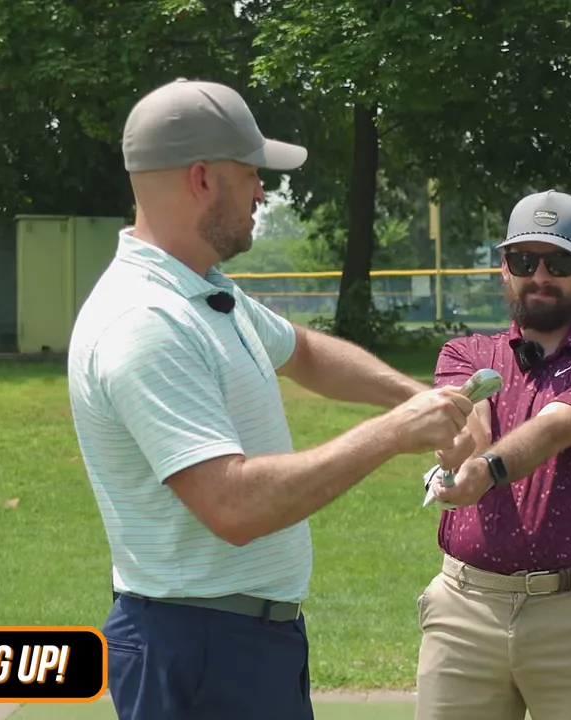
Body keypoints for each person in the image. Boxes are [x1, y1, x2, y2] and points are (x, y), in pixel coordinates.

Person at [66, 78, 474, 720]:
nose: (263, 192)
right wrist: (396, 432)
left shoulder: (203, 293)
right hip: (197, 647)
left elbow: (305, 352)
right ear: (202, 179)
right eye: (252, 174)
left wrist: (419, 398)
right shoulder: (144, 322)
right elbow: (232, 505)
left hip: (245, 640)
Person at [413, 189, 571, 720]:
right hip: (464, 608)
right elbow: (466, 435)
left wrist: (485, 470)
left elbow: (554, 430)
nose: (539, 275)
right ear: (504, 267)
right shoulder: (466, 353)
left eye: (559, 261)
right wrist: (453, 451)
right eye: (524, 260)